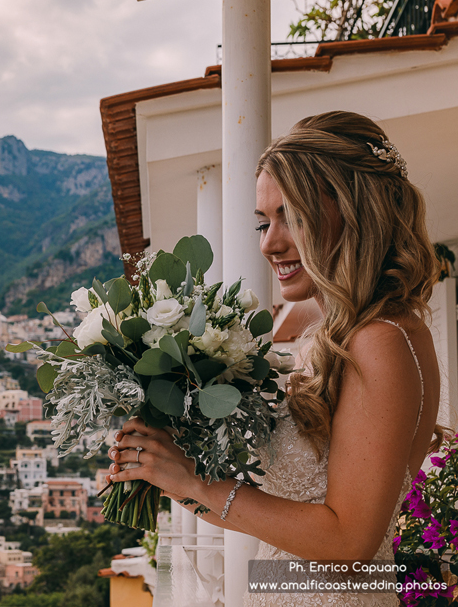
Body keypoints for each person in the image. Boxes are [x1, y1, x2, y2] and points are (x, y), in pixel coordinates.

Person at [106, 111, 447, 606]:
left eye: (295, 216)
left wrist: (193, 480)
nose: (270, 242)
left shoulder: (381, 340)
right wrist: (162, 467)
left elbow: (350, 543)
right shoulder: (335, 340)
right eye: (264, 222)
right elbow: (283, 520)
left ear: (355, 211)